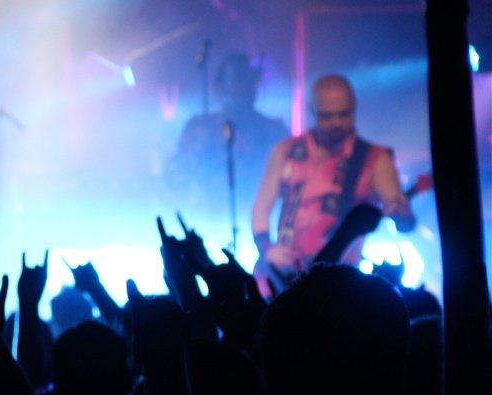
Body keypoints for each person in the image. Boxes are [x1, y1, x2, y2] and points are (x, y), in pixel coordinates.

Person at [251, 73, 417, 295]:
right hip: (285, 275)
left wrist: (402, 214)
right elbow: (261, 206)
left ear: (354, 108)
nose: (337, 123)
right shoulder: (286, 150)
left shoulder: (374, 158)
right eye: (327, 116)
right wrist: (268, 249)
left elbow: (404, 220)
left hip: (339, 280)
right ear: (312, 111)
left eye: (344, 114)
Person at [169, 52, 289, 220]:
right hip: (206, 221)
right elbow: (172, 178)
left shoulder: (273, 131)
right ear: (221, 88)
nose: (243, 89)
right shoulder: (199, 128)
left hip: (259, 223)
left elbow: (291, 184)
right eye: (236, 81)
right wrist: (198, 150)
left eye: (249, 81)